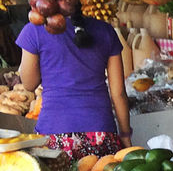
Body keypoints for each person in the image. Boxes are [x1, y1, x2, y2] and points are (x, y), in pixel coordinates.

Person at [18, 16, 131, 160]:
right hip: (101, 134)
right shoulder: (106, 30)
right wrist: (125, 135)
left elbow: (29, 84)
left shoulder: (34, 30)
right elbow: (119, 93)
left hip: (53, 137)